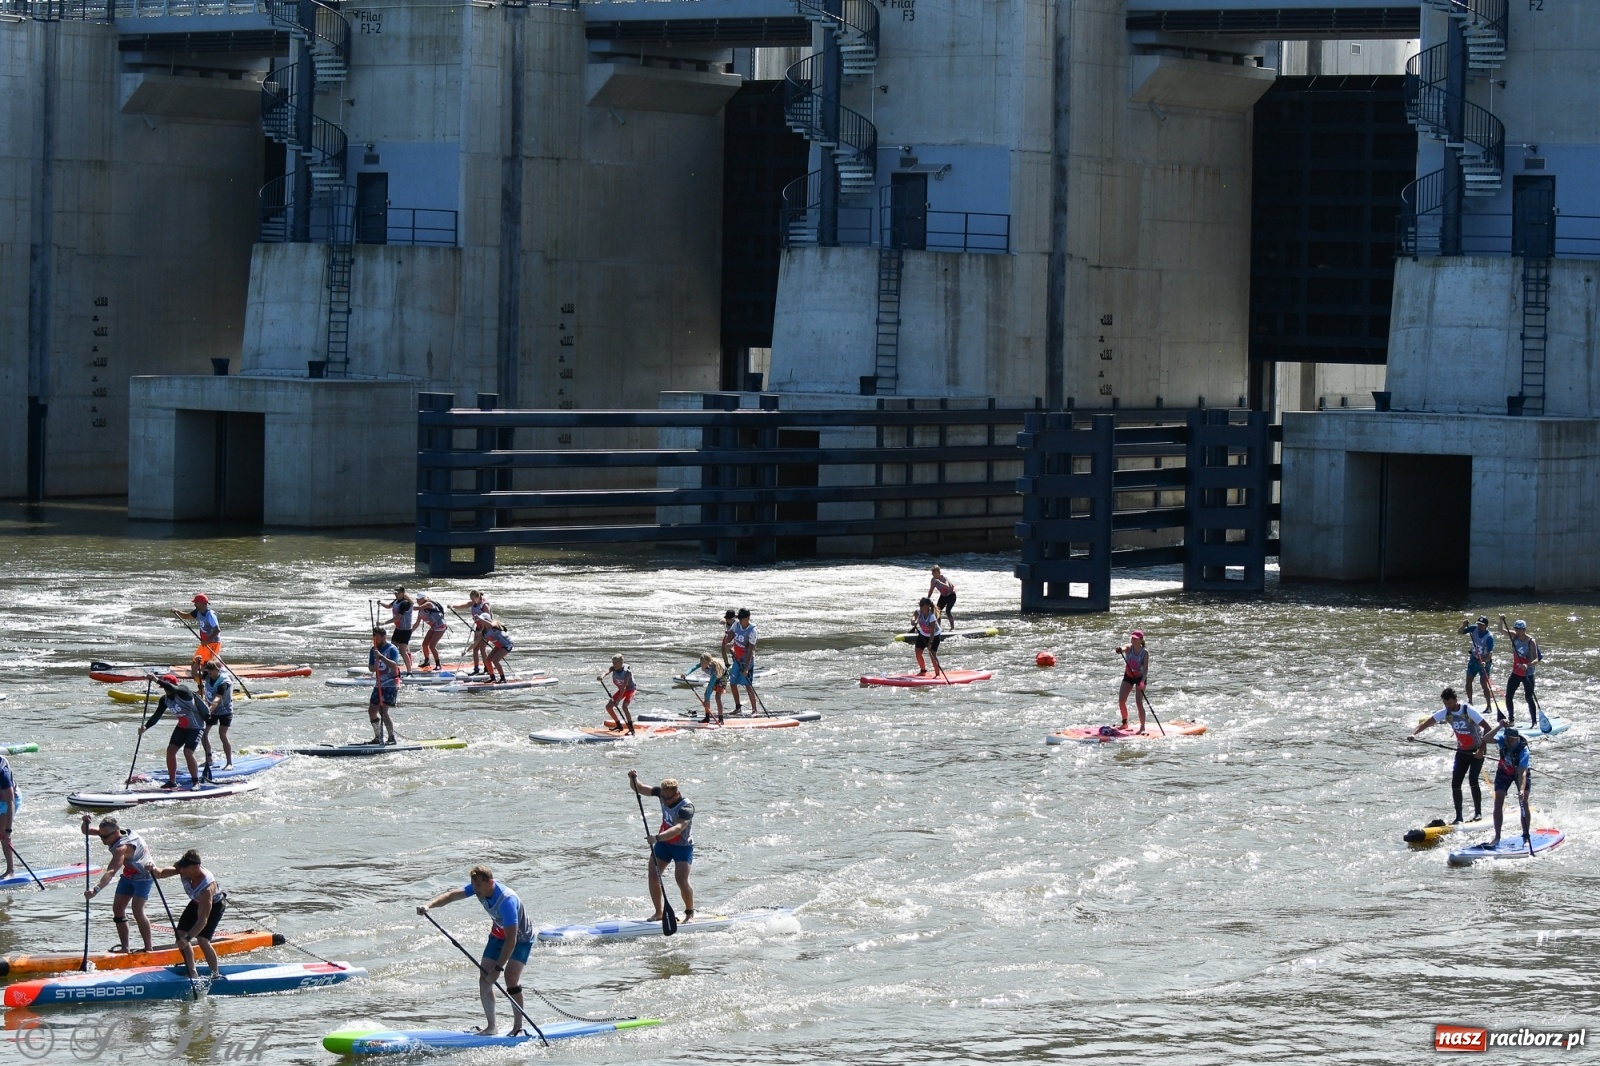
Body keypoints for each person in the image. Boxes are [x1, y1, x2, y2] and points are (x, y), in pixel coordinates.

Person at [417, 866, 534, 1037]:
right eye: (473, 885)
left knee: (510, 978)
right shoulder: (479, 888)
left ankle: (518, 1027)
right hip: (499, 933)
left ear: (491, 883)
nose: (475, 889)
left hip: (520, 938)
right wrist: (428, 905)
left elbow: (512, 940)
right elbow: (451, 895)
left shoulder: (507, 901)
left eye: (478, 885)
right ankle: (491, 1027)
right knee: (484, 977)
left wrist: (498, 969)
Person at [1408, 686, 1490, 823]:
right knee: (1455, 783)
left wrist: (1481, 750)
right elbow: (1427, 723)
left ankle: (1478, 814)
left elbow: (1488, 728)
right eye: (1445, 704)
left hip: (1477, 751)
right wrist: (1414, 733)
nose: (1448, 706)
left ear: (1456, 700)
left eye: (1450, 703)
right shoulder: (1445, 712)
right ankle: (1459, 817)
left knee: (1473, 780)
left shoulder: (1468, 710)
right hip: (1462, 751)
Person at [82, 815, 157, 954]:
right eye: (101, 836)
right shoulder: (109, 832)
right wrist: (85, 822)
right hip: (129, 876)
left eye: (105, 837)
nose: (102, 840)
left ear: (116, 832)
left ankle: (149, 949)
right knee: (118, 909)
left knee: (137, 911)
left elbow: (111, 871)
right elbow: (86, 831)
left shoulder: (121, 848)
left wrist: (96, 890)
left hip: (144, 877)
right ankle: (125, 948)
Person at [628, 771, 695, 923]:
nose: (664, 800)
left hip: (682, 847)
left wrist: (657, 838)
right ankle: (659, 913)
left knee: (681, 879)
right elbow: (639, 788)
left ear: (677, 794)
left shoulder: (687, 808)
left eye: (668, 798)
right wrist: (633, 778)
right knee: (653, 875)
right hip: (664, 844)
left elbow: (677, 829)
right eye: (663, 797)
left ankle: (690, 914)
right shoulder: (662, 794)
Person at [149, 849, 225, 979]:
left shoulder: (206, 888)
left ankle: (215, 974)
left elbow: (203, 920)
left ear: (197, 867)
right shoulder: (183, 866)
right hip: (196, 902)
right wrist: (152, 869)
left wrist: (188, 939)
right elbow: (160, 874)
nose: (181, 871)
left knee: (202, 939)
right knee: (179, 934)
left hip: (215, 905)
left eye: (185, 869)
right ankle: (192, 971)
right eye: (181, 868)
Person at [142, 673, 212, 788]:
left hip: (197, 727)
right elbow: (157, 715)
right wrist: (145, 727)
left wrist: (156, 680)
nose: (166, 690)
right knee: (170, 750)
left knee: (188, 752)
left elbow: (172, 688)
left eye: (167, 687)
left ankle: (195, 782)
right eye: (164, 688)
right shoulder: (164, 700)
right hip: (182, 727)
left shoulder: (183, 691)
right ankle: (172, 781)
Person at [1482, 721, 1534, 850]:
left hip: (1519, 773)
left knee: (1524, 802)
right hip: (1504, 771)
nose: (1508, 743)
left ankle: (1526, 835)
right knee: (1498, 801)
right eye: (1506, 739)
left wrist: (1521, 790)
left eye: (1511, 740)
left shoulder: (1524, 751)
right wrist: (1499, 726)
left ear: (1516, 739)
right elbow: (1486, 739)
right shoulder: (1502, 741)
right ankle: (1497, 836)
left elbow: (1522, 773)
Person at [1498, 615, 1541, 727]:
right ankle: (1511, 720)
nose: (1517, 631)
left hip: (1528, 673)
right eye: (1516, 629)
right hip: (1516, 672)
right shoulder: (1514, 636)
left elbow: (1536, 659)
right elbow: (1500, 630)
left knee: (1528, 697)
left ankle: (1534, 722)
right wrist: (1501, 620)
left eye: (1519, 629)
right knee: (1508, 696)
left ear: (1524, 630)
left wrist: (1528, 665)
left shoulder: (1531, 641)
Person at [368, 626, 401, 745]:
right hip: (379, 684)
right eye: (374, 638)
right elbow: (371, 668)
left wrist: (381, 657)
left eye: (378, 638)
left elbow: (394, 666)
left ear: (384, 637)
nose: (376, 640)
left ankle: (391, 737)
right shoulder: (373, 649)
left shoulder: (392, 649)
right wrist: (374, 666)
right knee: (372, 710)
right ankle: (378, 736)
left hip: (391, 683)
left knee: (383, 711)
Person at [200, 660, 235, 770]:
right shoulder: (207, 675)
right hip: (212, 711)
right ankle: (209, 758)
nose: (209, 672)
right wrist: (197, 663)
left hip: (225, 711)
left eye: (212, 670)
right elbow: (195, 674)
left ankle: (229, 763)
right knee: (203, 733)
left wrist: (209, 710)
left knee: (222, 734)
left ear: (217, 670)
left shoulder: (223, 682)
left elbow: (217, 698)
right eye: (208, 669)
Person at [1115, 630, 1150, 733]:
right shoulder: (1129, 648)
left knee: (1139, 702)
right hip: (1129, 676)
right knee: (1121, 700)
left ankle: (1142, 727)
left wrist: (1142, 682)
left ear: (1141, 640)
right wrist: (1119, 649)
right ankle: (1125, 723)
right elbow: (1123, 648)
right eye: (1132, 638)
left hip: (1140, 678)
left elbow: (1146, 669)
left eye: (1135, 639)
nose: (1133, 640)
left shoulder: (1145, 652)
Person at [1457, 615, 1495, 706]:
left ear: (1486, 626)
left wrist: (1484, 662)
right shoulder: (1473, 628)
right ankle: (1470, 702)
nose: (1479, 626)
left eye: (1482, 625)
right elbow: (1459, 632)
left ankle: (1488, 706)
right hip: (1474, 659)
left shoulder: (1489, 637)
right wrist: (1463, 625)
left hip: (1484, 661)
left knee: (1483, 684)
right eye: (1478, 624)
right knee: (1468, 681)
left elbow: (1490, 653)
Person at [175, 594, 222, 667]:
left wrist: (207, 641)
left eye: (196, 603)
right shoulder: (198, 612)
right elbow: (186, 616)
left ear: (201, 603)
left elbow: (217, 630)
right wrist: (177, 611)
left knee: (206, 665)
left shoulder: (210, 615)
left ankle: (217, 668)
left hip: (213, 643)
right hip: (205, 643)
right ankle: (216, 664)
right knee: (195, 663)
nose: (194, 604)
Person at [452, 592, 492, 675]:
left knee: (482, 649)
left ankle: (487, 668)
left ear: (478, 597)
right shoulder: (472, 603)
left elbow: (489, 620)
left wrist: (482, 630)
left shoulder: (484, 605)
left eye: (473, 598)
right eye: (471, 599)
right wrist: (452, 606)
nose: (472, 600)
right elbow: (461, 606)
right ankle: (476, 668)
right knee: (475, 649)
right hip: (477, 627)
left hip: (485, 629)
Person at [728, 608, 758, 713]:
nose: (740, 621)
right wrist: (730, 644)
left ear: (748, 618)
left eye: (742, 619)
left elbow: (750, 651)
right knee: (732, 683)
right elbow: (729, 637)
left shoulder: (752, 631)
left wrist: (746, 669)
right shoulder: (736, 625)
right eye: (739, 618)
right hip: (737, 659)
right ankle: (738, 707)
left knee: (747, 686)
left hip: (747, 661)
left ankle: (754, 710)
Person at [683, 653, 728, 723]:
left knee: (717, 697)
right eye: (701, 663)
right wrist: (686, 674)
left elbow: (710, 686)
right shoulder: (704, 662)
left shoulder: (714, 670)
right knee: (706, 694)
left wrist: (707, 700)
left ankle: (721, 719)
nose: (701, 665)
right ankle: (707, 718)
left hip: (722, 677)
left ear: (707, 662)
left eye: (703, 664)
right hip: (715, 677)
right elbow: (694, 667)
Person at [599, 655, 637, 732]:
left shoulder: (627, 672)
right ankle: (619, 726)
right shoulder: (613, 668)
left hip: (630, 690)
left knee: (624, 706)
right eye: (613, 663)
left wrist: (618, 700)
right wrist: (601, 677)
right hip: (621, 690)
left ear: (621, 663)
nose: (614, 665)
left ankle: (631, 729)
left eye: (616, 663)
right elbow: (606, 672)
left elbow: (624, 687)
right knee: (608, 707)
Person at [385, 587, 417, 673]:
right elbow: (388, 606)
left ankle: (409, 671)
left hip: (406, 630)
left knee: (402, 651)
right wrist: (380, 603)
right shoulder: (396, 601)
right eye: (395, 593)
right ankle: (391, 669)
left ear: (403, 593)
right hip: (398, 629)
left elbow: (398, 617)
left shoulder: (405, 603)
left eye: (398, 593)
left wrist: (384, 623)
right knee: (392, 649)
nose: (396, 595)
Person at [910, 598, 944, 677]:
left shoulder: (932, 616)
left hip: (934, 636)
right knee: (918, 652)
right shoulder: (918, 611)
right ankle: (923, 671)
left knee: (932, 654)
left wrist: (930, 643)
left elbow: (932, 633)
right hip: (923, 634)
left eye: (923, 605)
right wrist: (913, 621)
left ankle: (937, 674)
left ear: (928, 606)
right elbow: (914, 617)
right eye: (920, 604)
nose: (921, 606)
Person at [719, 610, 743, 712]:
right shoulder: (727, 621)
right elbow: (721, 620)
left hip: (735, 638)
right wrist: (724, 622)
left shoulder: (737, 623)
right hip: (729, 636)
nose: (728, 620)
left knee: (730, 648)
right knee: (723, 648)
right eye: (727, 618)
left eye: (730, 618)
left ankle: (735, 661)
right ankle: (727, 664)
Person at [417, 596, 448, 671]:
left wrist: (407, 606)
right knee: (424, 644)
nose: (417, 600)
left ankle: (438, 664)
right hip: (434, 626)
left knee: (432, 646)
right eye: (416, 599)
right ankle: (427, 661)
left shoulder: (429, 603)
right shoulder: (420, 611)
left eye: (419, 599)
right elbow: (416, 623)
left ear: (423, 599)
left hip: (441, 625)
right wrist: (410, 631)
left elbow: (417, 608)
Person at [0, 753, 17, 882]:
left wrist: (8, 832)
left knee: (2, 831)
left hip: (9, 801)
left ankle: (10, 870)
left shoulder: (2, 770)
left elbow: (10, 803)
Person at [928, 566, 957, 630]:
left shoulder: (944, 578)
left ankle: (952, 628)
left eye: (934, 573)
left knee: (948, 611)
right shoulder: (933, 580)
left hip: (951, 595)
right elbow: (931, 590)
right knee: (937, 611)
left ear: (938, 572)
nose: (933, 575)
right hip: (943, 596)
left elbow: (947, 587)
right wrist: (928, 598)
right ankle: (939, 627)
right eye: (932, 573)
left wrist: (939, 582)